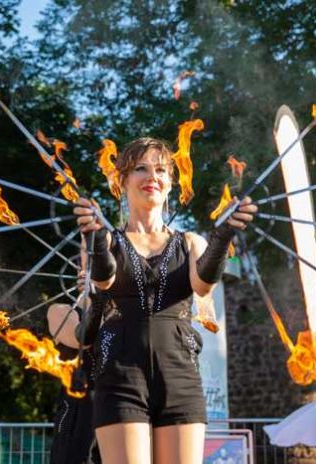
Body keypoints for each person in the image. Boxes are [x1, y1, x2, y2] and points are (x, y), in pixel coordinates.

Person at [74, 137, 256, 464]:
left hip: (180, 377)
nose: (152, 177)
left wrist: (223, 236)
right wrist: (97, 242)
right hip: (120, 376)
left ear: (171, 184)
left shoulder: (190, 242)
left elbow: (202, 286)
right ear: (122, 181)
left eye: (160, 170)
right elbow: (104, 280)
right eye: (140, 169)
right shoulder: (106, 240)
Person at [47, 292, 101, 464]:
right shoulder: (61, 311)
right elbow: (80, 339)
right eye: (82, 265)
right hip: (78, 409)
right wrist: (98, 304)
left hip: (117, 406)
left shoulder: (126, 312)